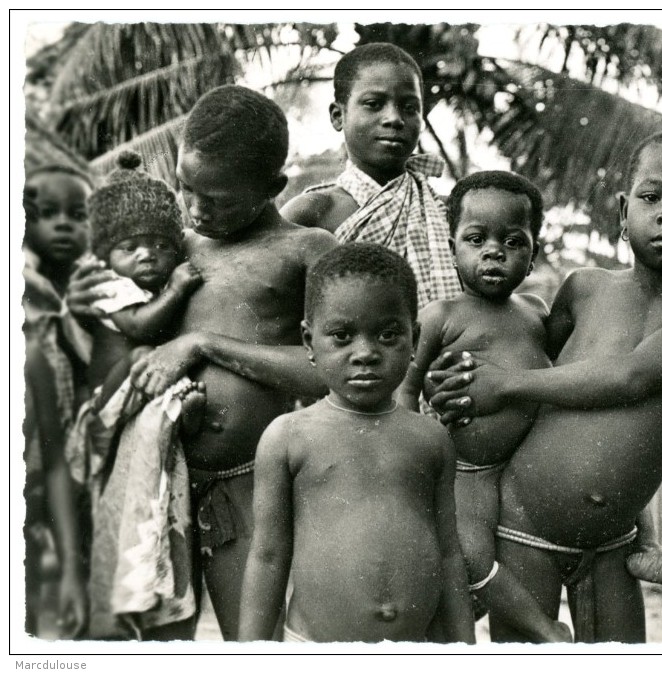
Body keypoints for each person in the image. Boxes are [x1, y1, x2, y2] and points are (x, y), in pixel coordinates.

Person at [427, 127, 662, 642]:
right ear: (622, 213)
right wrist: (457, 387)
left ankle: (649, 548)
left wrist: (505, 385)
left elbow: (629, 377)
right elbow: (531, 360)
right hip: (523, 525)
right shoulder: (584, 288)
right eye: (651, 196)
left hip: (612, 543)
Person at [66, 85, 339, 640]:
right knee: (158, 640)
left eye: (218, 199)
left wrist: (203, 345)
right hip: (162, 478)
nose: (195, 210)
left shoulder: (305, 250)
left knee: (250, 640)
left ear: (273, 189)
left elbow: (330, 369)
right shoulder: (176, 251)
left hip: (245, 485)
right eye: (186, 189)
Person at [239, 243, 475, 643]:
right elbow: (267, 558)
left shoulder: (430, 438)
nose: (365, 353)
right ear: (309, 342)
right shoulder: (288, 437)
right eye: (342, 336)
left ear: (414, 339)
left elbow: (450, 558)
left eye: (387, 335)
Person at [397, 170, 572, 643]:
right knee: (471, 558)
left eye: (513, 241)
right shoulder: (441, 316)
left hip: (524, 472)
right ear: (453, 249)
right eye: (476, 239)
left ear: (533, 255)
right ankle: (545, 629)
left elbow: (557, 376)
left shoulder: (536, 313)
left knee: (518, 563)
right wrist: (413, 449)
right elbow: (406, 387)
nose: (494, 251)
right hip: (468, 469)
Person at [281, 42, 460, 310]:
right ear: (338, 116)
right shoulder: (312, 212)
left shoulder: (445, 210)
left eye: (410, 107)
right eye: (374, 104)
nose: (394, 118)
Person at [81, 150, 205, 425]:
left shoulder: (152, 287)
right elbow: (139, 327)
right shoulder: (108, 284)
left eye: (161, 245)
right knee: (141, 355)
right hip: (108, 395)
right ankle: (181, 405)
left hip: (143, 391)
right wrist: (175, 290)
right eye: (129, 248)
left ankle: (182, 415)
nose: (146, 255)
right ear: (106, 255)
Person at [22, 174, 92, 638]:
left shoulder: (95, 284)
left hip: (69, 458)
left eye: (76, 215)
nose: (63, 227)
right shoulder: (27, 295)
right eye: (47, 216)